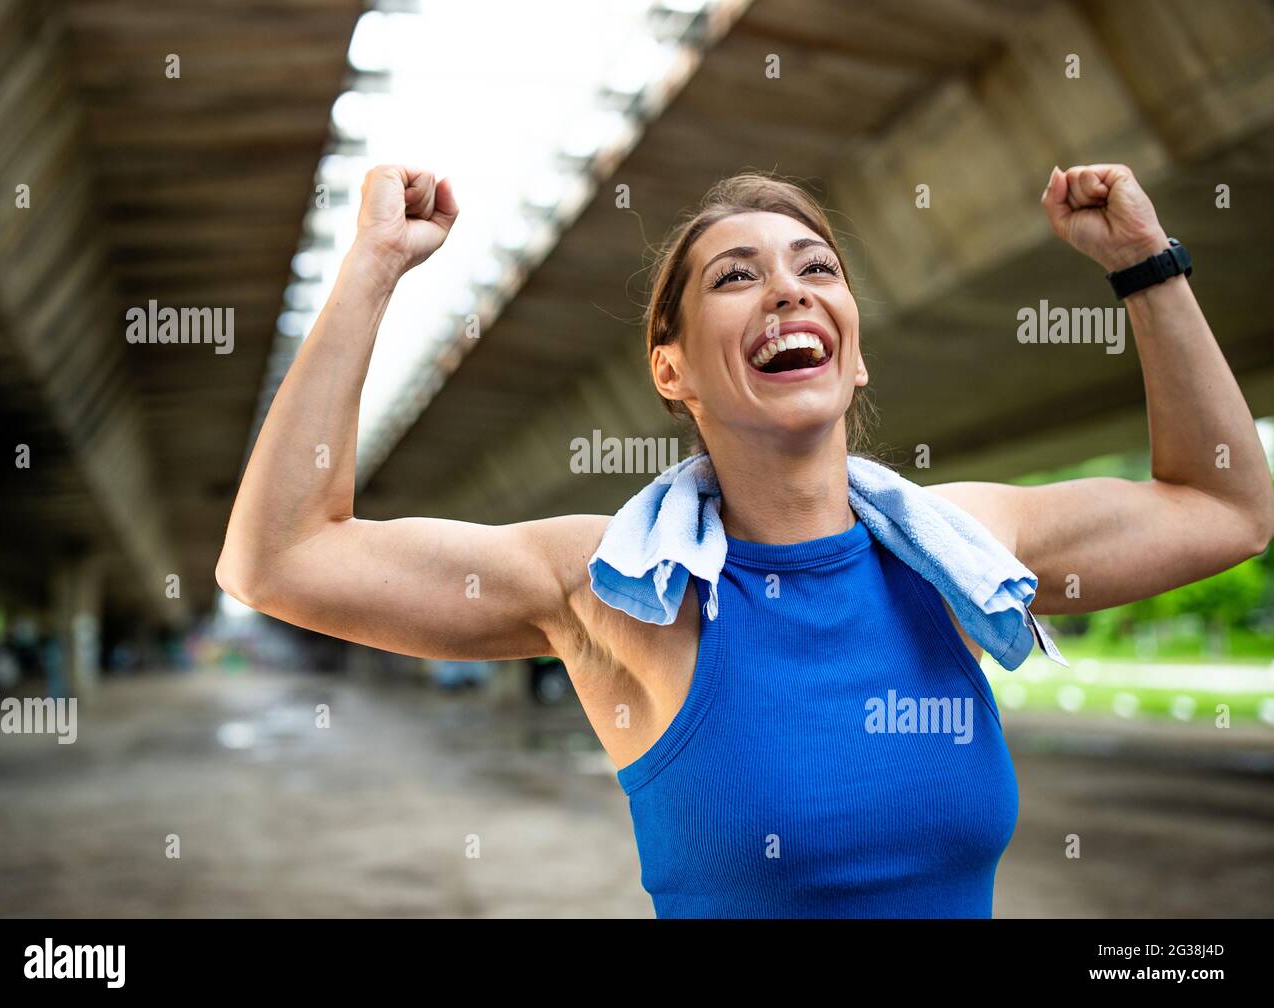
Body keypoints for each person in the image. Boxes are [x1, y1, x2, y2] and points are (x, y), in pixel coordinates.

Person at [216, 164, 1274, 917]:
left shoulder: (961, 547)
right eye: (735, 276)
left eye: (815, 267)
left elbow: (1225, 508)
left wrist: (1146, 265)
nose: (787, 289)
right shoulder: (613, 593)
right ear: (668, 371)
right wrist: (371, 270)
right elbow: (281, 558)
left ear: (853, 353)